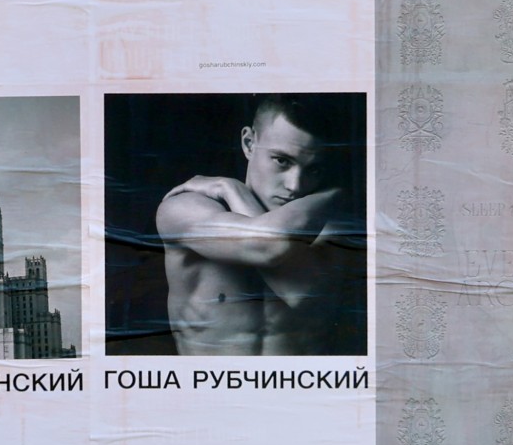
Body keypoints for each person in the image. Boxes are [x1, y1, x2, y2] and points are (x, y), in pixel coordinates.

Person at [153, 96, 363, 355]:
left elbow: (299, 290)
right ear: (249, 143)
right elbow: (266, 247)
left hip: (299, 391)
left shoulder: (335, 226)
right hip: (212, 391)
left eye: (314, 169)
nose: (295, 185)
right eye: (282, 161)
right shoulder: (185, 209)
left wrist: (230, 187)